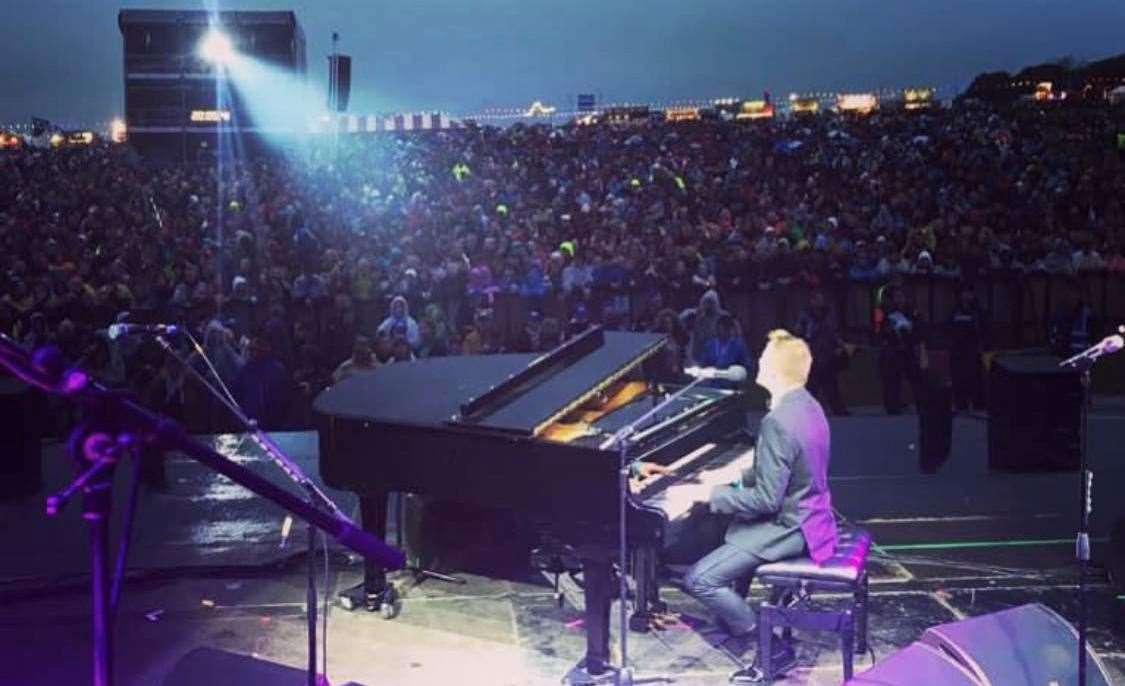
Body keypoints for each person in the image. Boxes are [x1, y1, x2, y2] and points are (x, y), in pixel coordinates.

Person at [649, 329, 837, 683]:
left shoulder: (777, 420)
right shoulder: (806, 405)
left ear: (777, 371)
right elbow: (780, 469)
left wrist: (707, 495)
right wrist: (727, 478)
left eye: (764, 359)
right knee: (722, 536)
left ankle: (769, 646)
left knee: (701, 579)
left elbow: (766, 499)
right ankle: (735, 615)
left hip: (789, 528)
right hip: (811, 516)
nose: (757, 364)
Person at [792, 291, 849, 415]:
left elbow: (835, 332)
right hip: (811, 354)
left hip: (827, 353)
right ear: (811, 301)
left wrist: (839, 346)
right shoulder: (805, 315)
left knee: (832, 384)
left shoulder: (829, 314)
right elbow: (798, 333)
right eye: (816, 299)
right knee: (812, 386)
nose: (819, 302)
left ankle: (838, 409)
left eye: (820, 299)